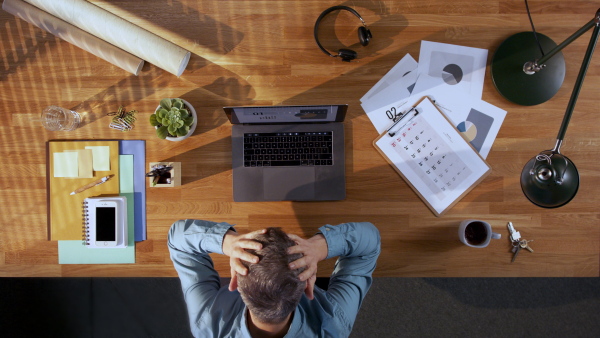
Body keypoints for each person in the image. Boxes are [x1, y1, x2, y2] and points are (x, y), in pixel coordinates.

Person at [167, 219, 380, 338]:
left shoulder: (209, 326)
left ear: (235, 283)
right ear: (308, 286)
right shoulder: (333, 325)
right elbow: (369, 242)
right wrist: (320, 246)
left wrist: (227, 242)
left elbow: (177, 239)